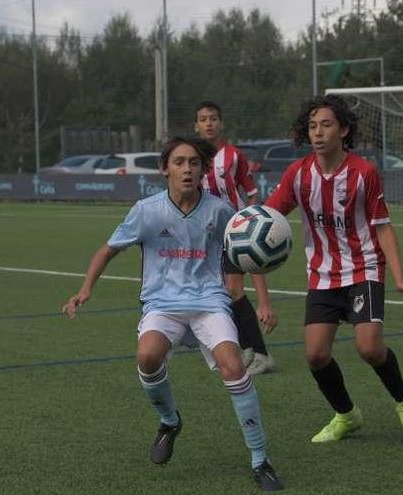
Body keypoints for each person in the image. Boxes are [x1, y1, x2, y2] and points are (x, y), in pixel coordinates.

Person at [61, 136, 283, 491]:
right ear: (165, 169)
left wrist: (264, 302)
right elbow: (107, 250)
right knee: (147, 357)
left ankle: (260, 460)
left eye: (194, 163)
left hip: (210, 302)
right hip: (162, 304)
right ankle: (169, 421)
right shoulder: (146, 210)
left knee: (234, 367)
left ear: (202, 170)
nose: (187, 169)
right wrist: (85, 289)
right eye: (179, 162)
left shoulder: (220, 210)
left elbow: (247, 254)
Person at [264, 95, 403, 445]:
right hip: (322, 275)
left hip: (363, 269)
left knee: (368, 348)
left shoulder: (364, 173)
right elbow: (269, 217)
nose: (318, 132)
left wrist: (398, 277)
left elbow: (383, 226)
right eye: (311, 126)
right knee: (316, 355)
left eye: (326, 124)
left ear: (344, 129)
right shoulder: (298, 174)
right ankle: (347, 415)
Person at [194, 101, 278, 375]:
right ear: (197, 126)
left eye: (214, 118)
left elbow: (252, 190)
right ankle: (246, 349)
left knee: (232, 290)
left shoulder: (233, 156)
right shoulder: (192, 157)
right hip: (205, 235)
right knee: (220, 293)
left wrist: (249, 218)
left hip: (232, 228)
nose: (209, 123)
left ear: (221, 123)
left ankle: (260, 353)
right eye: (203, 119)